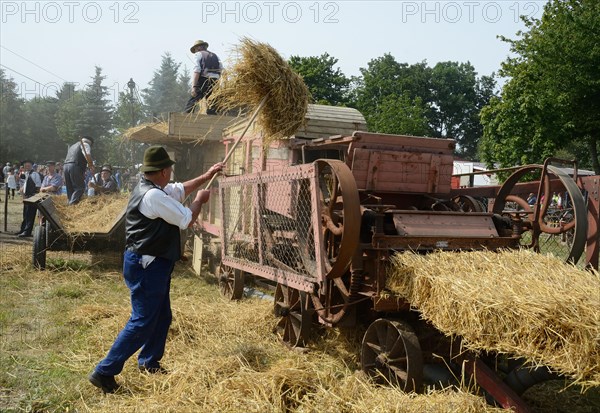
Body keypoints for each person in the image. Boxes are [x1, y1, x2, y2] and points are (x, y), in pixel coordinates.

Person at [88, 146, 223, 393]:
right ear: (162, 171)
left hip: (154, 263)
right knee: (142, 322)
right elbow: (186, 219)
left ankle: (149, 362)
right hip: (146, 265)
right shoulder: (153, 197)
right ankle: (104, 371)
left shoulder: (155, 189)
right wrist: (199, 202)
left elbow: (180, 188)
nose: (172, 171)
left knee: (161, 316)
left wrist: (206, 176)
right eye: (169, 168)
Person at [184, 40, 222, 114]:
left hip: (203, 80)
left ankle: (185, 119)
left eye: (195, 49)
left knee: (192, 101)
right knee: (212, 104)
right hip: (215, 81)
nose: (195, 51)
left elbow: (197, 70)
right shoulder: (215, 55)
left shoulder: (198, 54)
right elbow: (221, 70)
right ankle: (212, 121)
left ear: (198, 48)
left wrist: (194, 87)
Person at [63, 136, 94, 205]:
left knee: (70, 188)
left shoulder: (73, 146)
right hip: (75, 166)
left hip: (66, 166)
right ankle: (72, 205)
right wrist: (91, 164)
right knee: (80, 187)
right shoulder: (85, 144)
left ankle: (69, 203)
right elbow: (87, 154)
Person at [15, 160, 42, 237]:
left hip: (32, 197)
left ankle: (27, 232)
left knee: (30, 215)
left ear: (31, 166)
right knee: (25, 214)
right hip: (26, 197)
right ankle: (23, 230)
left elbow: (38, 186)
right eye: (25, 166)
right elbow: (25, 185)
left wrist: (34, 196)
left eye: (28, 166)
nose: (27, 167)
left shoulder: (35, 174)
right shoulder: (26, 174)